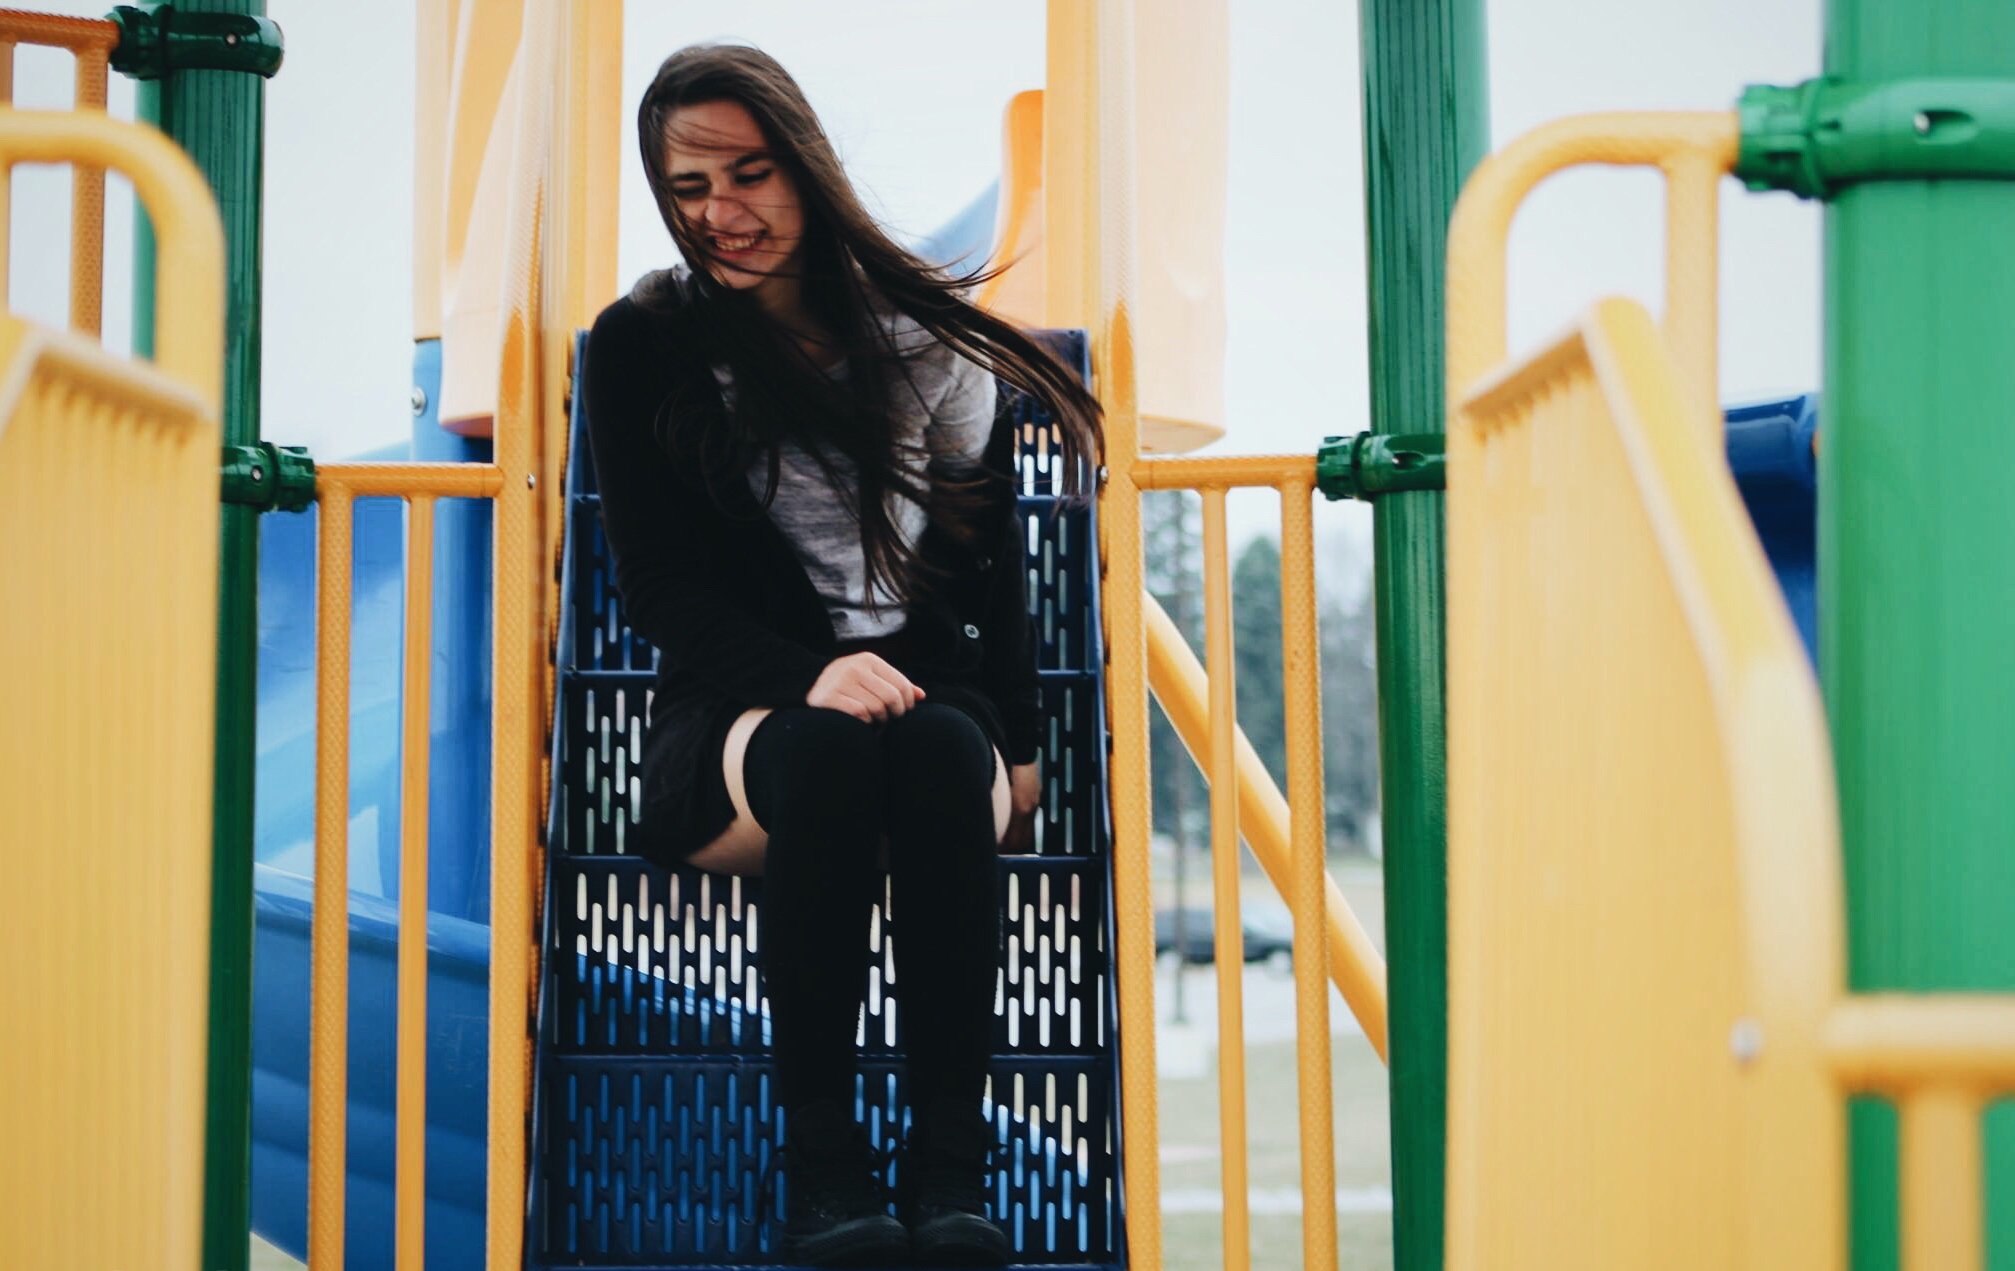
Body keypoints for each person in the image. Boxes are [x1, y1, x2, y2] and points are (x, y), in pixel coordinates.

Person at [582, 43, 1104, 1268]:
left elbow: (984, 570)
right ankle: (823, 1167)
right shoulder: (641, 342)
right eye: (690, 187)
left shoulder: (918, 338)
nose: (723, 213)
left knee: (928, 745)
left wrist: (1017, 744)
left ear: (806, 171)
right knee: (826, 747)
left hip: (929, 714)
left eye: (749, 175)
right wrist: (801, 672)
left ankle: (948, 1167)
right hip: (745, 725)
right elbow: (659, 584)